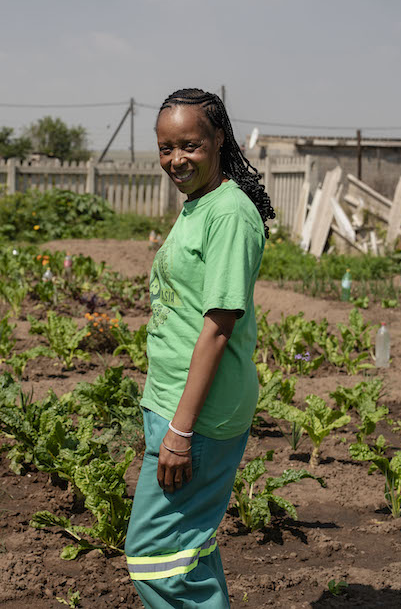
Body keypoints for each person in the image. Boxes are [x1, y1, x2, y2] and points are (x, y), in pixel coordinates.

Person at [125, 88, 275, 608]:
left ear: (219, 140)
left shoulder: (229, 214)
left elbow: (217, 327)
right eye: (166, 148)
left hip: (199, 415)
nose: (176, 160)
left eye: (189, 145)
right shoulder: (200, 205)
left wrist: (181, 431)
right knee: (189, 550)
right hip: (173, 402)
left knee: (152, 559)